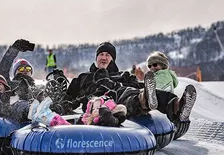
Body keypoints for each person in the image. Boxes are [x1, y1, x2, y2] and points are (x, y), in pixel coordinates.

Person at [58, 42, 197, 123]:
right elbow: (68, 96)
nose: (104, 57)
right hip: (97, 104)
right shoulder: (84, 77)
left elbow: (141, 86)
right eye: (101, 54)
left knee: (133, 93)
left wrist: (152, 86)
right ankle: (146, 101)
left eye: (107, 55)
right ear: (96, 58)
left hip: (124, 100)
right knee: (122, 94)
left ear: (112, 59)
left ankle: (177, 106)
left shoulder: (122, 75)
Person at [28, 95, 127, 127]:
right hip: (81, 134)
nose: (96, 110)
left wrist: (104, 110)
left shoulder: (106, 119)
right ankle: (40, 114)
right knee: (61, 121)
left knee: (60, 122)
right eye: (94, 108)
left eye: (99, 107)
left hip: (88, 138)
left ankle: (43, 116)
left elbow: (109, 117)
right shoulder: (87, 118)